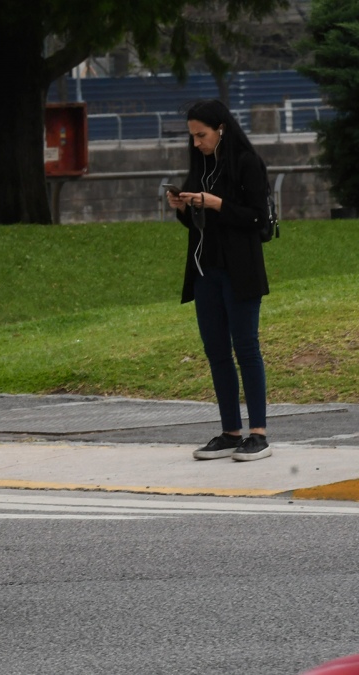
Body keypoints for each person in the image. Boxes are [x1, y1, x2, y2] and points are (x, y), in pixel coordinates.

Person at [165, 100, 271, 462]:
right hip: (205, 271)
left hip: (240, 271)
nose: (196, 143)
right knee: (216, 352)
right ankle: (230, 430)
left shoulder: (247, 163)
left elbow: (259, 221)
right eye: (192, 136)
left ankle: (258, 432)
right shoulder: (201, 165)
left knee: (246, 348)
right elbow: (198, 226)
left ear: (221, 129)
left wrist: (217, 204)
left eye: (202, 135)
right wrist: (184, 209)